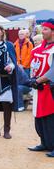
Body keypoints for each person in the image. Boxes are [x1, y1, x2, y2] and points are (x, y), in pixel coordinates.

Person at [28, 19, 54, 157]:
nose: (42, 31)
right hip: (39, 88)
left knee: (51, 118)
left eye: (45, 29)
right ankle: (45, 142)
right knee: (39, 117)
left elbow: (52, 71)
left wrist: (38, 80)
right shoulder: (38, 49)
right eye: (42, 29)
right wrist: (33, 79)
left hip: (51, 88)